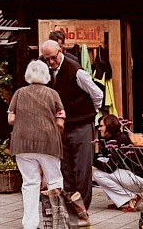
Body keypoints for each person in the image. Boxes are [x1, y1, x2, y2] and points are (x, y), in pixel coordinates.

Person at [40, 39, 103, 215]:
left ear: (60, 52)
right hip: (62, 127)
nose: (50, 62)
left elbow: (97, 94)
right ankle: (70, 206)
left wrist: (90, 112)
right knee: (65, 168)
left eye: (53, 58)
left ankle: (82, 209)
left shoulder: (76, 71)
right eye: (47, 59)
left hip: (81, 124)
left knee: (82, 169)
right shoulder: (47, 71)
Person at [7, 59, 68, 229]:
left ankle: (30, 224)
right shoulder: (52, 94)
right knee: (54, 180)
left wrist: (25, 123)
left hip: (22, 144)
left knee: (29, 183)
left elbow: (11, 118)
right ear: (46, 75)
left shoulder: (19, 93)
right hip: (49, 143)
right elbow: (60, 121)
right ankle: (58, 221)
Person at [92, 114, 143, 211]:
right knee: (101, 164)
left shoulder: (120, 140)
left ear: (109, 126)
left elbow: (110, 168)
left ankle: (132, 198)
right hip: (129, 176)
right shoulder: (110, 139)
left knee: (98, 174)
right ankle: (122, 200)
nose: (99, 129)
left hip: (139, 179)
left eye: (101, 126)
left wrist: (91, 160)